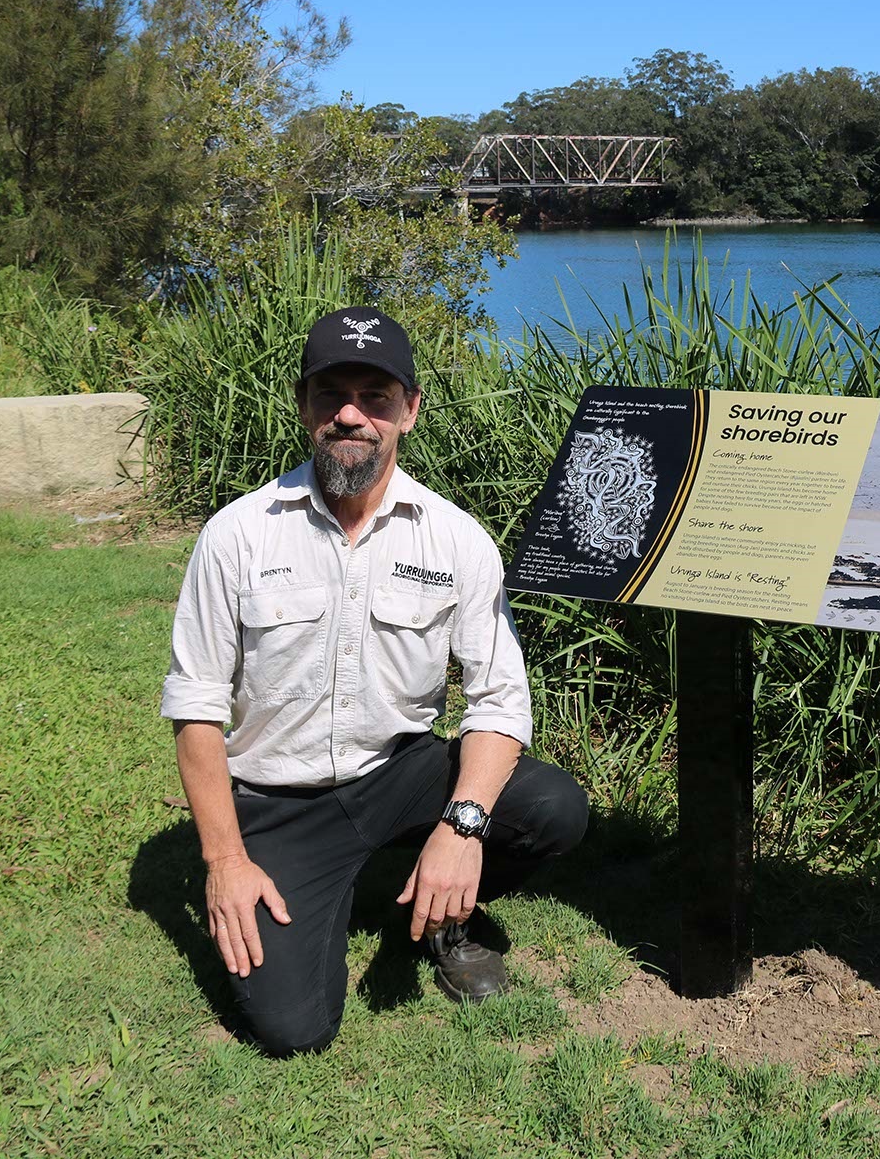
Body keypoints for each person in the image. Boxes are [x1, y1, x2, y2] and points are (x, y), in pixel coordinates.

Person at [161, 305, 588, 1057]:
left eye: (376, 397)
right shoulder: (237, 533)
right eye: (332, 395)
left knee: (554, 808)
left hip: (400, 771)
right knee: (294, 1030)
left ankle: (445, 913)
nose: (351, 416)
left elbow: (499, 700)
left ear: (410, 412)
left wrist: (461, 831)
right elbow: (195, 707)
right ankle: (340, 886)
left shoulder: (456, 539)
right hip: (277, 802)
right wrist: (225, 863)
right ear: (304, 407)